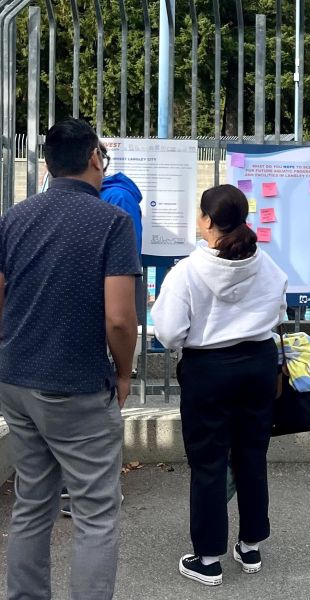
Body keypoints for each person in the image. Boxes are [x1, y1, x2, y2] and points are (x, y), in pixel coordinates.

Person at [0, 118, 140, 599]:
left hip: (16, 380)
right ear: (95, 159)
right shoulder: (112, 222)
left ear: (47, 164)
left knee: (32, 503)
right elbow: (120, 319)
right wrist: (124, 373)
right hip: (77, 385)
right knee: (96, 512)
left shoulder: (14, 218)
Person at [151, 184, 287, 586]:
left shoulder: (187, 272)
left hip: (209, 370)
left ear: (207, 221)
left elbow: (170, 332)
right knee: (251, 454)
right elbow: (278, 311)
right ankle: (251, 545)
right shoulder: (268, 265)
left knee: (209, 463)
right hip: (259, 366)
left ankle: (208, 557)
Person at [61, 146, 145, 518]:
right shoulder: (112, 199)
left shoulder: (114, 201)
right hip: (100, 314)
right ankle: (85, 489)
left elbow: (119, 313)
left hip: (103, 315)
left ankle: (89, 491)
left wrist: (124, 369)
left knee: (97, 413)